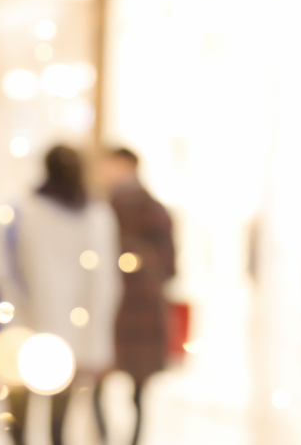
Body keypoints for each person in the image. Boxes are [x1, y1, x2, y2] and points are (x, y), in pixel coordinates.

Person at [8, 145, 121, 445]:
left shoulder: (26, 212)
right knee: (59, 420)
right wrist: (96, 343)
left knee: (21, 412)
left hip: (27, 327)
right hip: (71, 336)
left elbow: (6, 272)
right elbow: (104, 284)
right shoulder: (96, 217)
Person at [96, 147, 175, 445]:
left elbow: (168, 263)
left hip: (129, 306)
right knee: (110, 384)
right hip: (121, 305)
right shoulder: (106, 207)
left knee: (130, 387)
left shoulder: (128, 209)